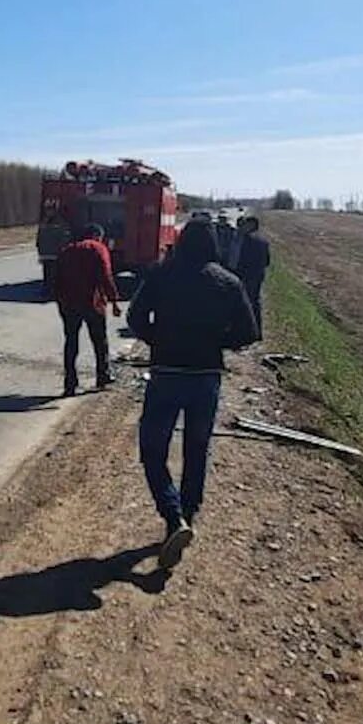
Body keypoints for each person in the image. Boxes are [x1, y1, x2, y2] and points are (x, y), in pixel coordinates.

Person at [127, 219, 258, 569]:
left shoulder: (161, 274)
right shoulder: (229, 282)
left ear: (182, 242)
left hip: (167, 373)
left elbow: (135, 317)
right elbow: (249, 331)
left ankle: (173, 519)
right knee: (197, 449)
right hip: (206, 377)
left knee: (152, 450)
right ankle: (188, 515)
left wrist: (158, 340)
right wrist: (216, 342)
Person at [54, 223, 120, 396]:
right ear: (98, 236)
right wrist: (114, 300)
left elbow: (55, 280)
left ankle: (70, 383)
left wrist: (60, 302)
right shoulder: (98, 249)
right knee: (99, 341)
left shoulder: (67, 251)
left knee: (71, 342)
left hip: (69, 304)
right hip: (93, 303)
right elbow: (106, 276)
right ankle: (102, 376)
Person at [233, 215, 269, 336]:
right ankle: (257, 332)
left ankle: (246, 331)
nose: (244, 227)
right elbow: (267, 262)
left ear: (251, 226)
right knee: (255, 302)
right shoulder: (263, 241)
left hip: (246, 275)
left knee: (245, 303)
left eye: (246, 225)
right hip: (258, 275)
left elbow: (240, 259)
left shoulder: (247, 240)